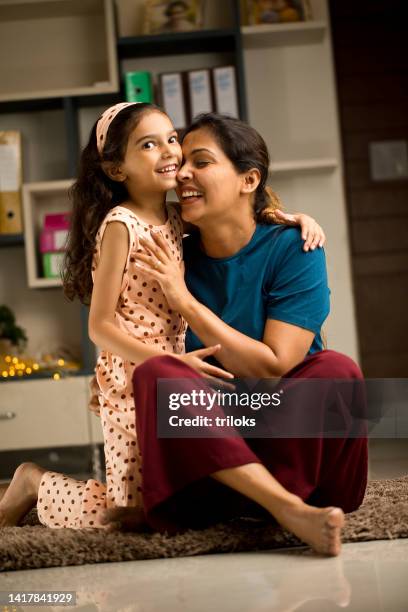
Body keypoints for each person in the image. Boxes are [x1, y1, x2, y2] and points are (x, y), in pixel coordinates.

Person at [0, 103, 322, 530]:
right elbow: (99, 325)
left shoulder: (174, 218)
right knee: (130, 515)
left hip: (176, 369)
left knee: (147, 506)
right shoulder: (120, 225)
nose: (171, 152)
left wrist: (289, 217)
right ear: (117, 169)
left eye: (172, 139)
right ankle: (35, 483)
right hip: (136, 373)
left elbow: (237, 218)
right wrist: (163, 363)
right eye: (149, 145)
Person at [100, 113, 368, 556]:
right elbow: (118, 327)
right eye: (181, 162)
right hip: (216, 440)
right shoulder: (169, 253)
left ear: (248, 180)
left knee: (336, 369)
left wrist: (186, 302)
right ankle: (285, 508)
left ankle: (258, 502)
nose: (182, 172)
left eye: (200, 162)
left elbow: (275, 367)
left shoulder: (294, 246)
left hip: (296, 446)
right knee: (159, 373)